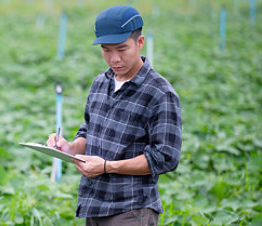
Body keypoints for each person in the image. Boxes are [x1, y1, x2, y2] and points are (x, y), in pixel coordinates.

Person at [47, 5, 182, 226]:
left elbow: (165, 157)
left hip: (131, 209)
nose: (114, 59)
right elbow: (89, 132)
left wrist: (107, 166)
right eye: (106, 50)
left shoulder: (159, 93)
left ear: (140, 43)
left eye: (122, 49)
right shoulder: (101, 83)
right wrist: (70, 148)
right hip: (94, 203)